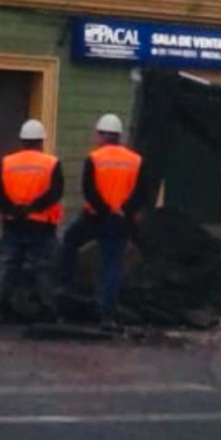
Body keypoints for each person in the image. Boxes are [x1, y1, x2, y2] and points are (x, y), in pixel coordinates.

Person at [58, 113, 148, 330]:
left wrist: (105, 209)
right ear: (119, 136)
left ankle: (65, 293)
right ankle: (107, 314)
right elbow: (142, 192)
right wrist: (123, 210)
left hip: (95, 217)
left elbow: (89, 190)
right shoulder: (135, 160)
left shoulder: (95, 158)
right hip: (120, 221)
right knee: (112, 266)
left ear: (101, 135)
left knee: (69, 242)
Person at [0, 119, 64, 320]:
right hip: (41, 224)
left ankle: (1, 306)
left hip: (13, 223)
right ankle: (48, 309)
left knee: (10, 264)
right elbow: (55, 193)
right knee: (41, 266)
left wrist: (14, 209)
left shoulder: (7, 163)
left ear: (22, 140)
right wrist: (32, 208)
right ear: (41, 141)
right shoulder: (51, 163)